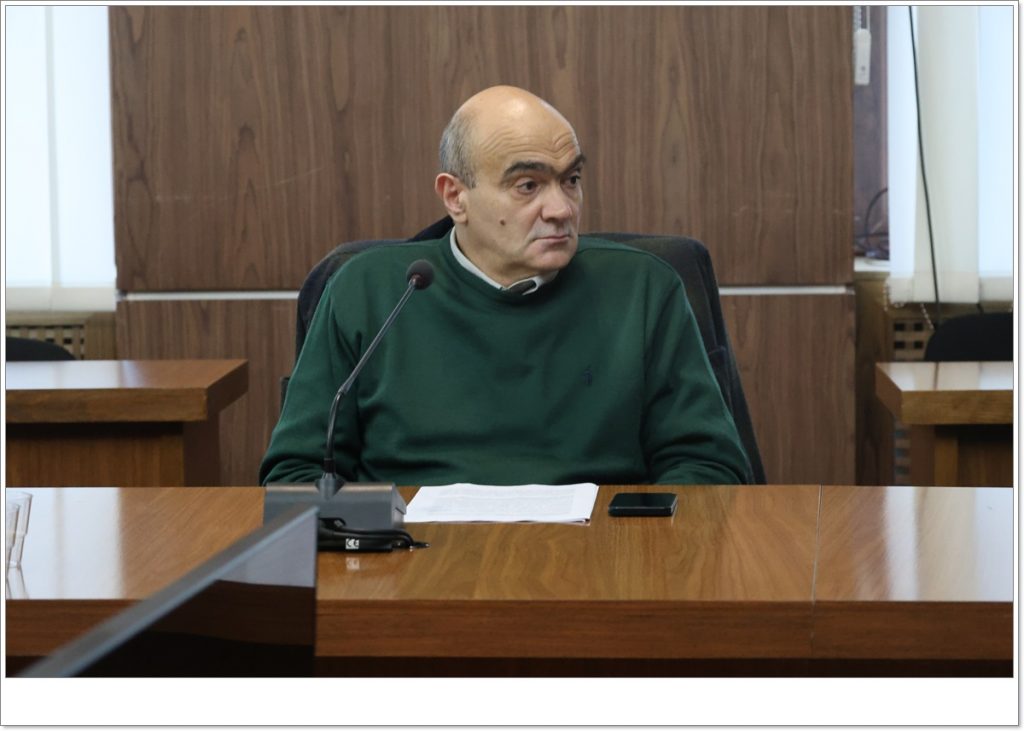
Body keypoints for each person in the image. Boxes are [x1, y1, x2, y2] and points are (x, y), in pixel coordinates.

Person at [260, 85, 750, 486]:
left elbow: (709, 468)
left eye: (571, 179)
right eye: (528, 186)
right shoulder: (368, 291)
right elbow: (296, 473)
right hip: (413, 559)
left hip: (599, 557)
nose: (561, 209)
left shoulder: (643, 288)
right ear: (455, 196)